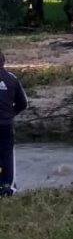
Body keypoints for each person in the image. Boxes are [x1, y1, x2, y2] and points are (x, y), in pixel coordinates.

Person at [0, 50, 28, 196]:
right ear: (3, 62)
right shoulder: (12, 79)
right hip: (6, 125)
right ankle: (7, 187)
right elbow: (23, 103)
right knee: (7, 155)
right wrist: (10, 115)